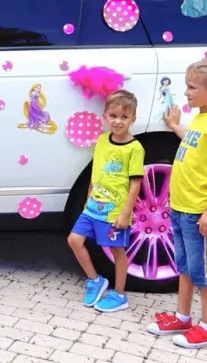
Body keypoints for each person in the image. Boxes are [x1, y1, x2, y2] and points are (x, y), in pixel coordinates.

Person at [148, 58, 207, 348]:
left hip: (199, 212)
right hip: (181, 208)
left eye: (192, 87)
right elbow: (195, 144)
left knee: (203, 273)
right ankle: (183, 317)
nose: (186, 92)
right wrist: (175, 126)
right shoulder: (201, 118)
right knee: (184, 267)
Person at [67, 90, 144, 312]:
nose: (118, 121)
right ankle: (95, 280)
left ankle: (119, 295)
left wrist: (125, 213)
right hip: (93, 206)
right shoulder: (102, 141)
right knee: (74, 240)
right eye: (113, 116)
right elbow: (96, 173)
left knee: (117, 250)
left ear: (133, 119)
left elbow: (135, 183)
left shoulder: (134, 149)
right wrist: (87, 200)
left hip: (114, 212)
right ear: (105, 116)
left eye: (124, 117)